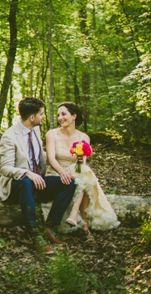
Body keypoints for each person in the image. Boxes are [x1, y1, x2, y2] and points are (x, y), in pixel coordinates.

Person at [0, 97, 76, 254]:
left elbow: (37, 154)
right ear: (32, 117)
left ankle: (50, 227)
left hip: (38, 181)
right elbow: (5, 168)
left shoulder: (36, 130)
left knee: (69, 183)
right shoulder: (9, 136)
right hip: (17, 184)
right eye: (41, 114)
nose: (43, 117)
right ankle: (34, 233)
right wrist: (27, 173)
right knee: (26, 181)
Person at [45, 102, 120, 241]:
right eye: (58, 115)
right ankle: (83, 224)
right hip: (56, 173)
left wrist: (79, 159)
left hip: (77, 173)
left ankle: (77, 216)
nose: (60, 118)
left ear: (74, 116)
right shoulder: (52, 134)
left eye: (63, 114)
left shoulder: (84, 138)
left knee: (83, 173)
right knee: (83, 176)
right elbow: (50, 158)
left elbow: (82, 164)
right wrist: (62, 172)